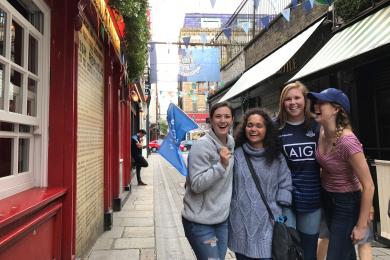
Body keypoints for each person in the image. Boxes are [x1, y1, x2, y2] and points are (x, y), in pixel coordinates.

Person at [308, 88, 375, 260]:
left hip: (346, 202)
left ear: (336, 109)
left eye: (321, 103)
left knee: (335, 255)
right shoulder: (321, 130)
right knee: (344, 253)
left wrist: (361, 226)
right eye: (316, 102)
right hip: (328, 198)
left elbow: (369, 185)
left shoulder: (348, 141)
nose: (316, 105)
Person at [229, 108, 293, 260]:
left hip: (268, 223)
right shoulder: (236, 155)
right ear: (244, 128)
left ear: (267, 129)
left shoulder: (276, 157)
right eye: (250, 125)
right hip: (240, 225)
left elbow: (286, 183)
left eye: (259, 126)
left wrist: (280, 206)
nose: (253, 129)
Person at [182, 101, 235, 260]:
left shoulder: (231, 143)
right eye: (218, 116)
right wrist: (221, 166)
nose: (223, 120)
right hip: (199, 222)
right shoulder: (201, 146)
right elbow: (196, 185)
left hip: (222, 220)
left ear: (232, 119)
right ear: (210, 120)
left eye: (227, 116)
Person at [276, 81, 321, 260]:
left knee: (309, 250)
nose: (293, 102)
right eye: (288, 99)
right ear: (282, 102)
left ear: (305, 99)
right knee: (287, 249)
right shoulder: (275, 127)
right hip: (285, 200)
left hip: (312, 198)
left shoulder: (317, 126)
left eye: (297, 97)